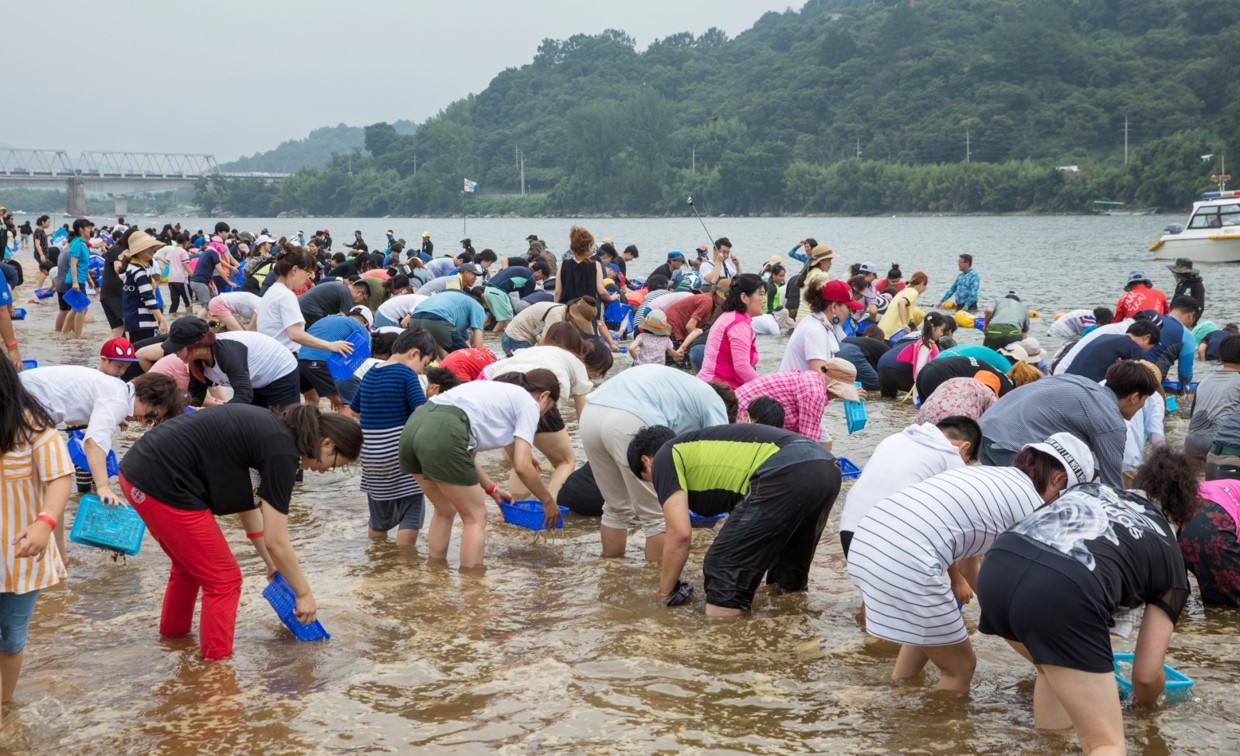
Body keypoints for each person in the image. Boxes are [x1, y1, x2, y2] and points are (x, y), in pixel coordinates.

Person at [977, 448, 1197, 751]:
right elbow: (1145, 677)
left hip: (997, 567)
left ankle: (1051, 746)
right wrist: (1147, 709)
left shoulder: (1093, 488)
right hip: (1062, 591)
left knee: (1050, 665)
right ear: (1183, 517)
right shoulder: (1170, 555)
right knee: (1104, 743)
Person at [848, 432, 1095, 694]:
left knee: (933, 621)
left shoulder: (988, 476)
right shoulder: (1031, 508)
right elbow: (1012, 602)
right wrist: (1050, 662)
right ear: (1058, 479)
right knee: (961, 667)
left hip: (867, 542)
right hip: (903, 560)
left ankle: (896, 692)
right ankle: (938, 732)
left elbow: (969, 568)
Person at [118, 404, 360, 659]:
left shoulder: (275, 432)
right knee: (224, 581)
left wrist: (270, 563)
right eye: (332, 464)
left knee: (189, 568)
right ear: (327, 443)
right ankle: (217, 671)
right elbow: (277, 540)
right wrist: (304, 593)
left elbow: (249, 506)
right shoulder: (282, 452)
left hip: (139, 471)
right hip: (161, 482)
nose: (322, 471)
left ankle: (174, 642)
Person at [630, 423, 841, 616]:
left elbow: (680, 535)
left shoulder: (666, 456)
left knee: (722, 566)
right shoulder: (702, 450)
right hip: (825, 467)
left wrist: (665, 592)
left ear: (646, 461)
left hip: (787, 470)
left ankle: (727, 648)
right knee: (786, 576)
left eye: (650, 481)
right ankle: (791, 636)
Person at [399, 370, 561, 570]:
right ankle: (473, 587)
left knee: (445, 509)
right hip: (444, 432)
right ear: (544, 395)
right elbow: (522, 465)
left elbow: (465, 455)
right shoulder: (529, 404)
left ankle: (436, 574)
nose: (545, 413)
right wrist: (547, 500)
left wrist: (492, 489)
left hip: (414, 427)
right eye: (550, 407)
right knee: (476, 518)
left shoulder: (494, 393)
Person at [581, 365, 734, 561]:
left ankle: (612, 570)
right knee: (657, 516)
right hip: (630, 419)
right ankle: (656, 582)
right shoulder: (714, 402)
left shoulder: (686, 388)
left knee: (615, 507)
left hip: (591, 413)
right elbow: (720, 452)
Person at [0, 356, 73, 722]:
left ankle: (5, 706)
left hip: (20, 555)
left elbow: (59, 476)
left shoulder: (33, 427)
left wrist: (45, 523)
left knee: (12, 636)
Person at [978, 360, 1158, 487]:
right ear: (1135, 397)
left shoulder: (1079, 381)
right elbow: (1112, 485)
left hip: (983, 432)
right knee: (1036, 504)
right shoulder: (1111, 421)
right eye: (1145, 400)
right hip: (1009, 445)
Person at [20, 367, 182, 507]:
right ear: (146, 395)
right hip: (24, 402)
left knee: (40, 486)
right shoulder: (118, 401)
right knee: (46, 482)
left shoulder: (117, 388)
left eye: (152, 420)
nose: (145, 420)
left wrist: (118, 417)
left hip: (22, 391)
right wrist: (103, 487)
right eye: (151, 415)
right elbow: (94, 442)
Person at [480, 324, 605, 497]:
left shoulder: (530, 351)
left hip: (498, 394)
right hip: (538, 394)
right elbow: (582, 413)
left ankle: (517, 511)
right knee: (565, 461)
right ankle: (549, 510)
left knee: (521, 463)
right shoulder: (575, 361)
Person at [838, 416, 980, 568]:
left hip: (849, 529)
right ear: (964, 447)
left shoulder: (895, 438)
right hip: (889, 540)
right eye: (965, 460)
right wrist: (959, 582)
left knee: (874, 590)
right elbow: (953, 528)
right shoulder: (951, 456)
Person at [350, 328, 435, 548]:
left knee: (379, 518)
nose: (421, 370)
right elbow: (420, 412)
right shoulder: (407, 375)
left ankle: (379, 558)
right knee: (412, 512)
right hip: (399, 457)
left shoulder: (371, 372)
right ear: (414, 354)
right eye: (424, 364)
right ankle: (405, 566)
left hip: (371, 459)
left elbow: (354, 411)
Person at [141, 316, 301, 409]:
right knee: (251, 426)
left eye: (177, 348)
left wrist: (215, 414)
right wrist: (167, 409)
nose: (174, 353)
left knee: (285, 422)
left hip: (280, 372)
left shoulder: (227, 353)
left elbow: (243, 396)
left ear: (195, 346)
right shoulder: (196, 362)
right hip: (254, 380)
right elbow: (194, 399)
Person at [258, 242, 354, 360]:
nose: (309, 278)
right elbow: (294, 334)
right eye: (308, 272)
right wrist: (329, 345)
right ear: (295, 270)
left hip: (268, 354)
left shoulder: (272, 290)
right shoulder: (286, 295)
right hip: (282, 358)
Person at [733, 361, 862, 448]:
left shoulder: (813, 379)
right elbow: (808, 442)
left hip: (735, 407)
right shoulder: (815, 394)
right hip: (746, 417)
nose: (838, 396)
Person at [297, 308, 372, 411]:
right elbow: (362, 359)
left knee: (312, 400)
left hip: (300, 362)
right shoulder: (361, 329)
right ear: (366, 323)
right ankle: (346, 427)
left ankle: (304, 426)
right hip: (318, 362)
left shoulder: (329, 319)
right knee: (342, 403)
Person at [697, 273, 764, 389]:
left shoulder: (731, 317)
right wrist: (764, 388)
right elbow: (742, 366)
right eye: (761, 294)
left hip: (711, 384)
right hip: (720, 388)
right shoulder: (738, 323)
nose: (764, 300)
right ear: (744, 297)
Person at [1179, 479, 1240, 606]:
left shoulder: (1225, 484)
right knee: (1228, 609)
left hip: (1174, 523)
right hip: (1213, 529)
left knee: (1176, 601)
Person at [780, 280, 861, 373]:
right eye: (849, 308)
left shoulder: (814, 321)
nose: (850, 313)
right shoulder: (815, 330)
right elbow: (820, 371)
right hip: (796, 386)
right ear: (834, 306)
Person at [1185, 334, 1240, 458]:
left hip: (1192, 441)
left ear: (1220, 358)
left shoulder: (1205, 380)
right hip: (1220, 444)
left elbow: (1192, 414)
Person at [1063, 320, 1160, 383]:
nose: (1146, 351)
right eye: (1150, 347)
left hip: (1064, 382)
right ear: (1147, 338)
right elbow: (1141, 380)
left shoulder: (1104, 337)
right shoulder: (1134, 347)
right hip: (1085, 390)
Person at [501, 298, 599, 356]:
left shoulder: (562, 311)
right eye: (579, 322)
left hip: (514, 337)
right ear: (573, 315)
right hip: (515, 339)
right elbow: (544, 343)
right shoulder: (556, 316)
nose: (578, 325)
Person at [120, 231, 170, 344]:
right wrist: (161, 319)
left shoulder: (131, 268)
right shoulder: (140, 271)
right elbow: (148, 298)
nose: (153, 249)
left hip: (132, 319)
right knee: (142, 354)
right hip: (142, 321)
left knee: (136, 352)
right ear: (139, 250)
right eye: (149, 247)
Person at [408, 290, 486, 358]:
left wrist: (443, 362)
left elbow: (439, 339)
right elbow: (478, 346)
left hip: (415, 318)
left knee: (420, 356)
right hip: (438, 318)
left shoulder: (459, 311)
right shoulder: (478, 307)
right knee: (467, 357)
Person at [483, 261, 549, 331]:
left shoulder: (523, 271)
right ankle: (492, 338)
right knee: (505, 320)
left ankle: (483, 334)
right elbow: (527, 302)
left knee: (490, 319)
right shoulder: (530, 279)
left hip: (487, 290)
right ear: (540, 271)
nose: (540, 280)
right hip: (497, 292)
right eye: (542, 277)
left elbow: (523, 299)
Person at [58, 218, 94, 338]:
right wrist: (75, 282)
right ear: (81, 229)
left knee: (75, 309)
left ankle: (65, 335)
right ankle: (78, 336)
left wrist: (89, 278)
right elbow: (73, 263)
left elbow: (82, 264)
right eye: (88, 227)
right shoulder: (77, 244)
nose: (90, 229)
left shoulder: (82, 243)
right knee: (82, 309)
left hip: (80, 280)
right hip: (75, 281)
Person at [916, 375, 1001, 424]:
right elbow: (994, 418)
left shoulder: (957, 380)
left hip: (926, 412)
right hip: (956, 418)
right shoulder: (988, 392)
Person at [876, 271, 927, 339]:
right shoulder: (914, 292)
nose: (924, 289)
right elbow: (901, 303)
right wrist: (904, 324)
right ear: (922, 284)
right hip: (892, 333)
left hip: (881, 329)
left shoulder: (903, 291)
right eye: (925, 286)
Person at [298, 279, 365, 327]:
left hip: (301, 305)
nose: (362, 302)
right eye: (364, 299)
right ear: (359, 293)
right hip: (311, 310)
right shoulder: (347, 295)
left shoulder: (340, 287)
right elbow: (342, 320)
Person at [161, 233, 193, 314]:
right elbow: (186, 266)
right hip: (181, 280)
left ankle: (171, 319)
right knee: (188, 302)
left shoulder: (172, 250)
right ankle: (191, 320)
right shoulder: (183, 252)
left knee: (174, 303)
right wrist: (193, 276)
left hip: (171, 280)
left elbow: (168, 260)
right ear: (185, 242)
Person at [1168, 258, 1205, 325]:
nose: (1178, 275)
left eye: (1180, 273)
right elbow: (1174, 302)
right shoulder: (1181, 284)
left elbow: (1200, 306)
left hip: (1188, 321)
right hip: (1176, 319)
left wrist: (1192, 323)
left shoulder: (1197, 284)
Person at [1047, 307, 1112, 340]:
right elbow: (1085, 339)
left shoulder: (1090, 314)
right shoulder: (1092, 323)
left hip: (1054, 330)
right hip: (1061, 334)